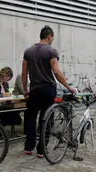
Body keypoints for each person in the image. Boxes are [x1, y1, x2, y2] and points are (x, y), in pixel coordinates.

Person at [21, 25, 76, 158]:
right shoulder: (51, 51)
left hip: (34, 89)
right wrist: (69, 87)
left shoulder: (28, 51)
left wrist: (25, 90)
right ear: (49, 36)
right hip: (48, 90)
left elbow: (24, 73)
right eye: (52, 38)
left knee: (30, 118)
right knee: (46, 119)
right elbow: (56, 71)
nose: (52, 40)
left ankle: (29, 147)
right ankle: (41, 150)